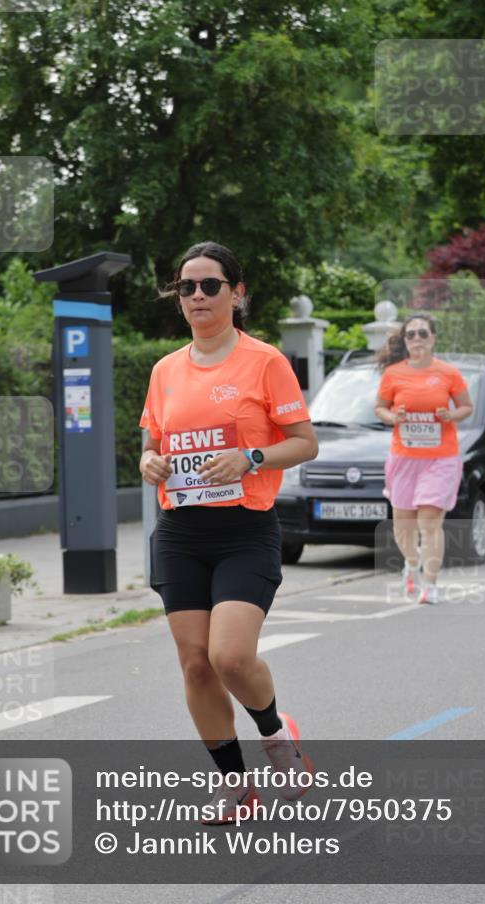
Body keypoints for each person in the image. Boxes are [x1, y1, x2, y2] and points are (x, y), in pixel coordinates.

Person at [139, 241, 318, 823]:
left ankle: (276, 737)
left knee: (231, 656)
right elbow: (152, 444)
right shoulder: (165, 370)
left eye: (209, 285)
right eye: (185, 287)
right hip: (181, 533)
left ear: (236, 293)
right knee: (195, 664)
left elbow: (305, 442)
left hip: (244, 530)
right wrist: (148, 462)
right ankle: (236, 788)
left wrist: (252, 458)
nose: (196, 296)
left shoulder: (264, 361)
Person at [374, 312, 473, 605]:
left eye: (422, 333)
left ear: (433, 338)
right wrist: (394, 417)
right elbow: (379, 408)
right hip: (404, 457)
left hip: (440, 457)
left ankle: (430, 586)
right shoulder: (393, 374)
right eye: (411, 334)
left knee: (429, 523)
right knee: (403, 526)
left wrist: (450, 415)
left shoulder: (449, 373)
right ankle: (410, 562)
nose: (417, 339)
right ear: (405, 341)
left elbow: (466, 406)